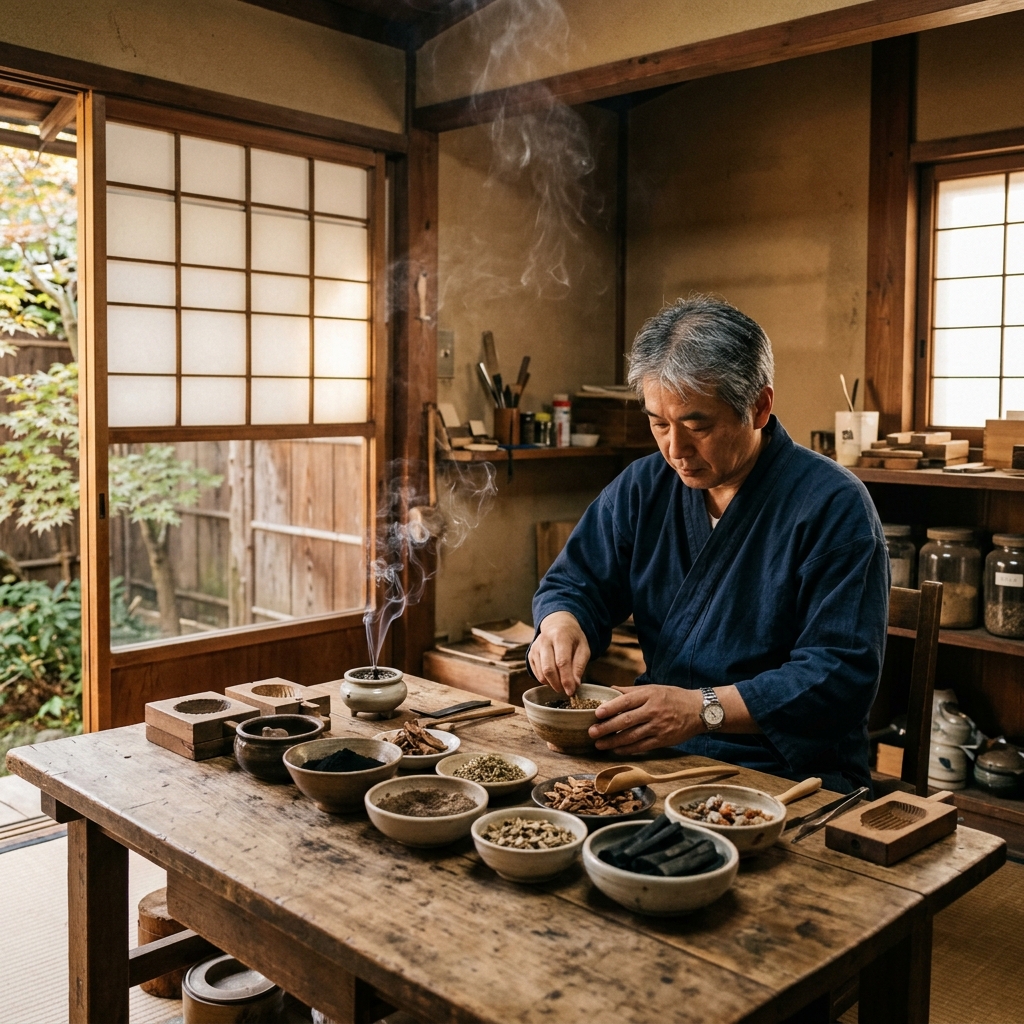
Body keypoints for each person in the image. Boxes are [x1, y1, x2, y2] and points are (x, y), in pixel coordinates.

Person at [529, 295, 889, 793]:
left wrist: (701, 709)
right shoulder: (645, 486)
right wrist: (560, 623)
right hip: (657, 751)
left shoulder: (833, 506)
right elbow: (576, 581)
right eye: (658, 424)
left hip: (788, 770)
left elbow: (838, 675)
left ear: (759, 406)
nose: (675, 450)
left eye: (697, 425)